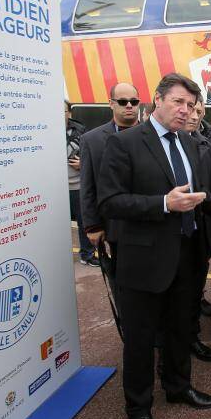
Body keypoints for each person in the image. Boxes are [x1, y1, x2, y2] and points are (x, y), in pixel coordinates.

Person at [97, 73, 211, 419]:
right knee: (140, 338)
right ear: (158, 99)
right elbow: (110, 202)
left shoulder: (189, 142)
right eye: (178, 102)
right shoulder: (125, 144)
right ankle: (138, 409)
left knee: (181, 327)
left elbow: (198, 193)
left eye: (191, 105)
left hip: (188, 253)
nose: (185, 111)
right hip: (144, 260)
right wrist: (163, 203)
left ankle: (178, 387)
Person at [79, 83, 141, 325]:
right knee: (122, 285)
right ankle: (130, 331)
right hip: (113, 229)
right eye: (123, 101)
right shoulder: (92, 140)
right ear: (111, 103)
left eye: (134, 102)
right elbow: (88, 187)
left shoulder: (152, 135)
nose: (129, 106)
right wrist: (92, 226)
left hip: (149, 225)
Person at [182, 98, 211, 362]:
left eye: (198, 111)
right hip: (170, 234)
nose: (194, 116)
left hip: (200, 229)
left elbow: (208, 189)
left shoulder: (206, 145)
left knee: (194, 287)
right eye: (189, 110)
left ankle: (191, 337)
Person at [66, 101, 96, 266]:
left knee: (84, 223)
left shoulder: (80, 131)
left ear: (69, 113)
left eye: (62, 110)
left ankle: (87, 255)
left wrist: (82, 163)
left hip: (78, 186)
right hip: (55, 189)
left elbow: (92, 156)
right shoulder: (43, 131)